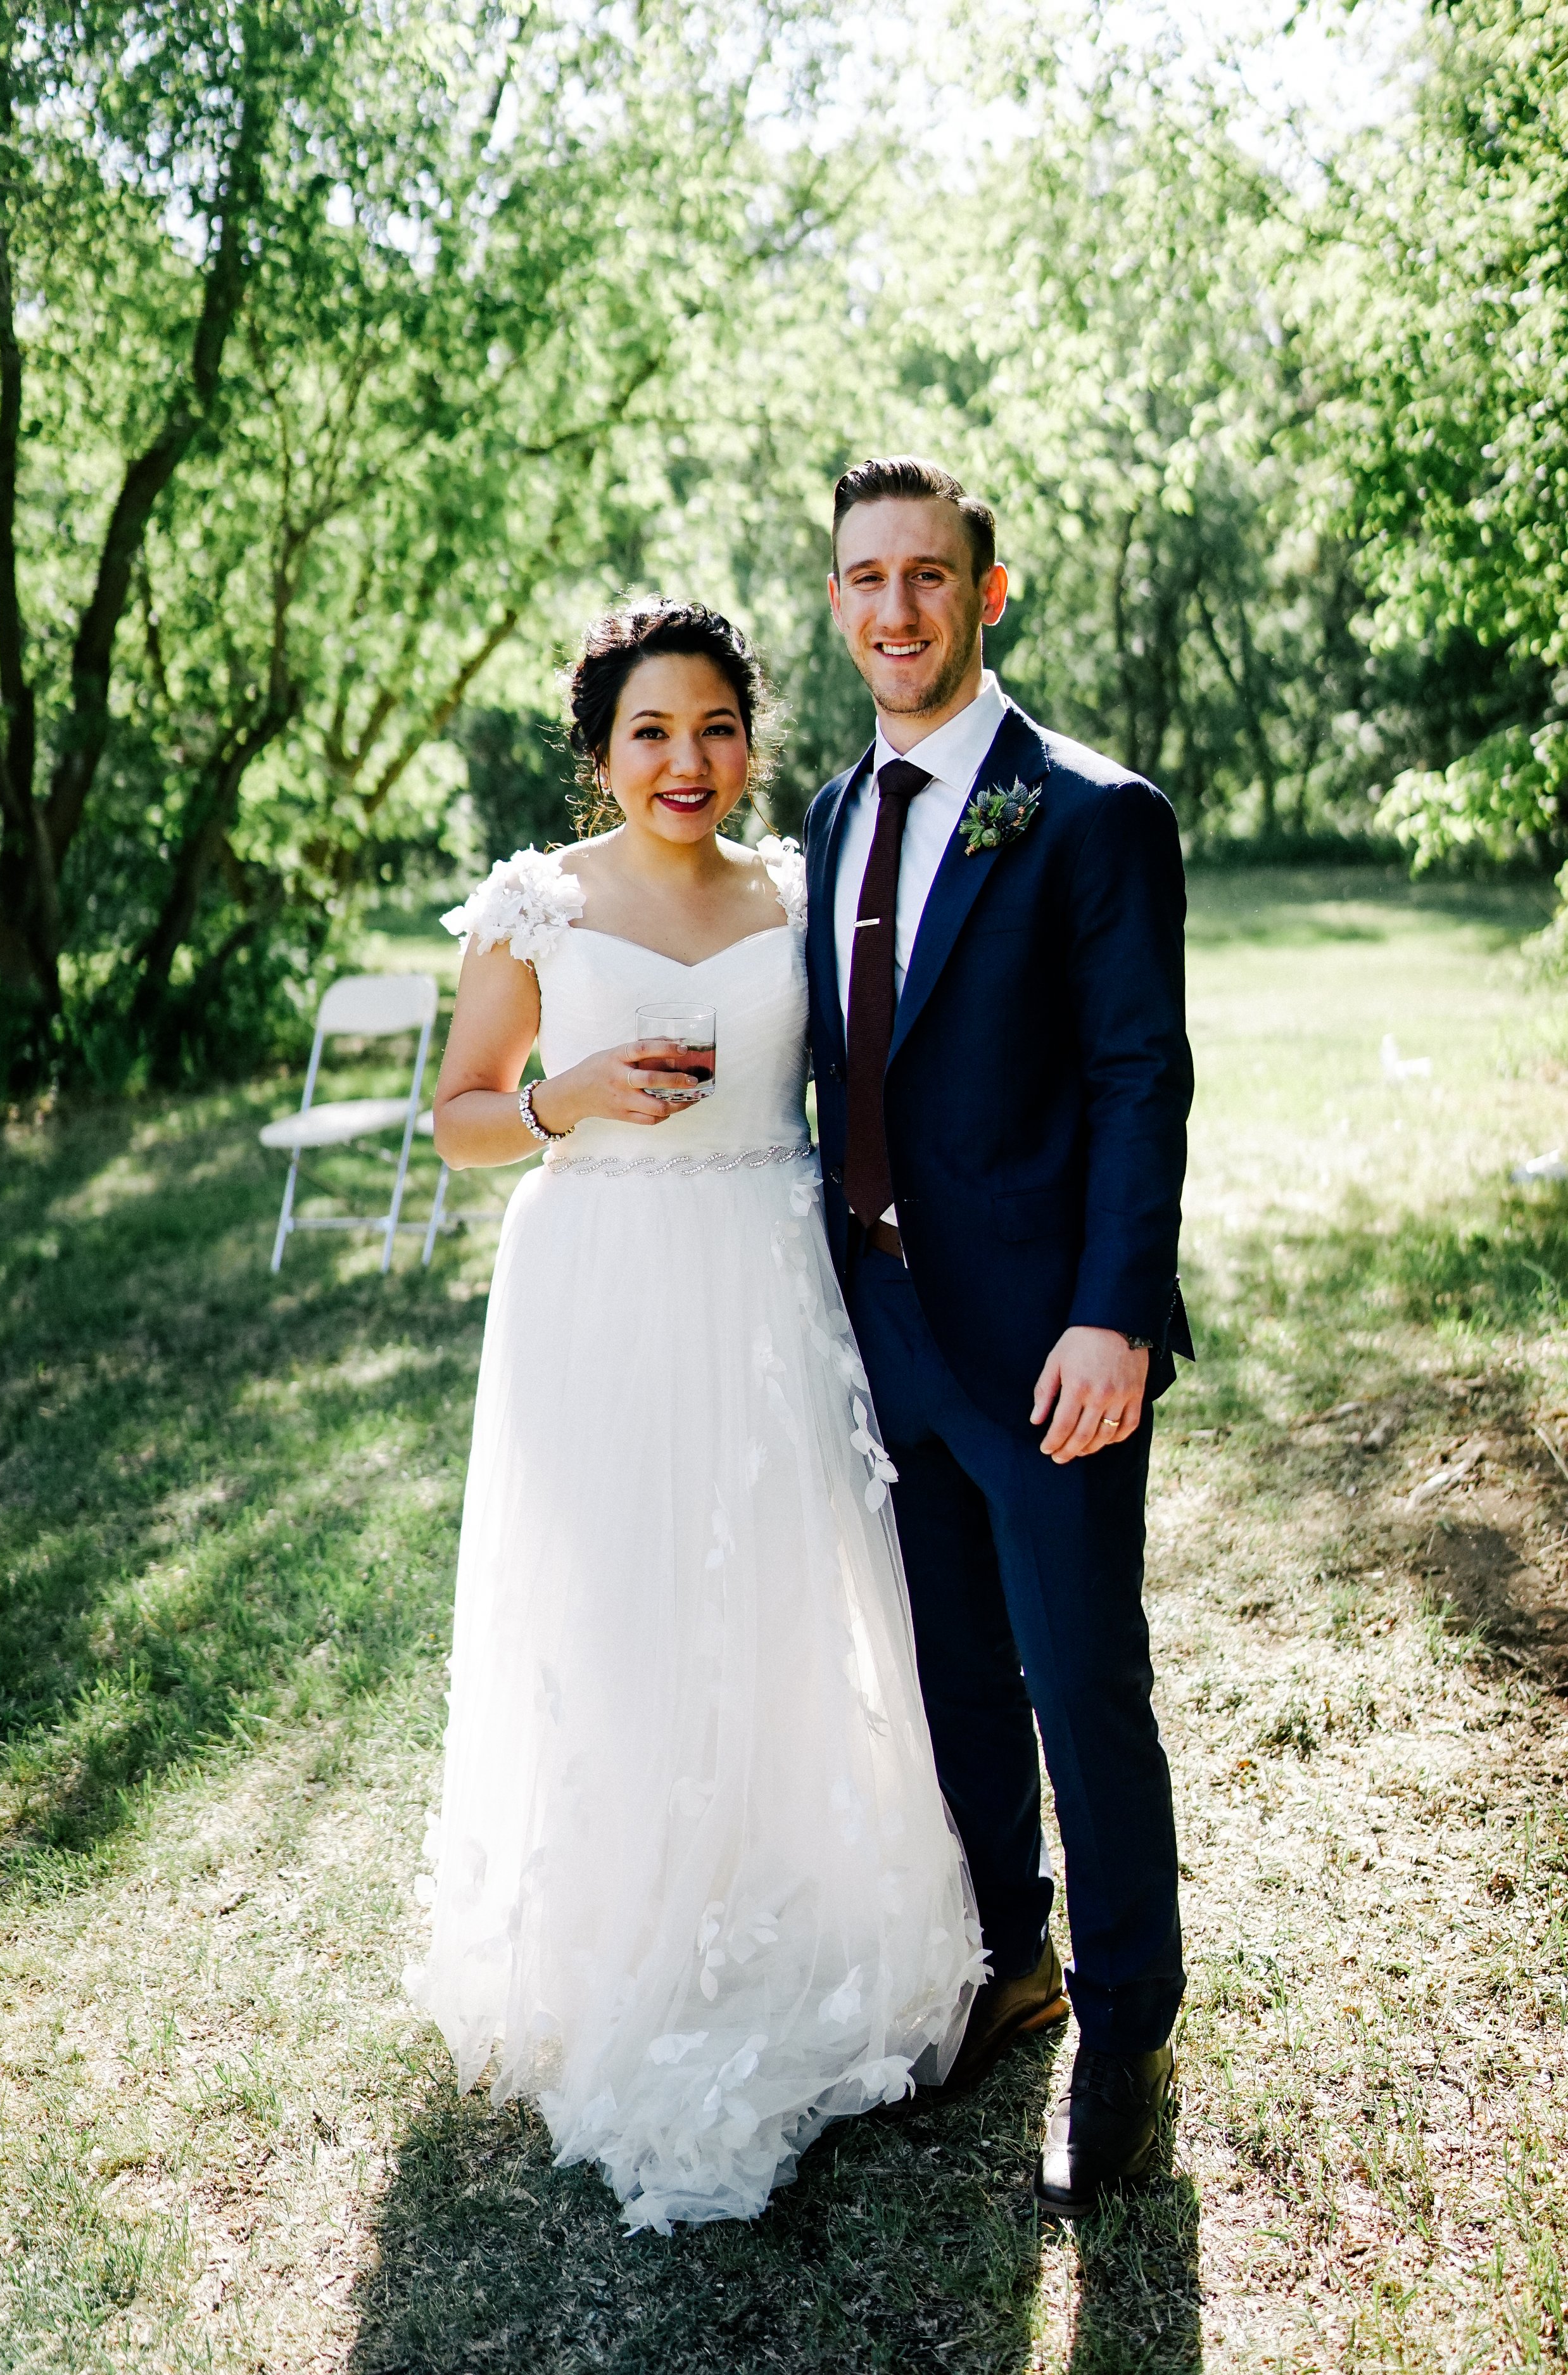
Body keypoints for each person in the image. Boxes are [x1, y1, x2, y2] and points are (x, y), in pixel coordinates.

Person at [406, 600, 985, 2235]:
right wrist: (555, 1103)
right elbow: (453, 1119)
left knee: (778, 1594)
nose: (687, 762)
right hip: (597, 1279)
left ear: (752, 739)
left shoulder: (802, 897)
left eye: (716, 729)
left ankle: (768, 1895)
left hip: (761, 1275)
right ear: (598, 753)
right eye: (651, 734)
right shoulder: (535, 906)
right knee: (620, 1601)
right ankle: (618, 1928)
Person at [806, 457, 1196, 2216]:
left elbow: (1137, 1078)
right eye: (864, 579)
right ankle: (1010, 1961)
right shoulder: (827, 815)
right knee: (960, 1678)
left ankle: (1126, 2028)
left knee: (1077, 1682)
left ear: (988, 591)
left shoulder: (1091, 813)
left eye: (928, 578)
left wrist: (1114, 1312)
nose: (896, 608)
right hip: (884, 1331)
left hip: (1052, 1348)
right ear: (836, 602)